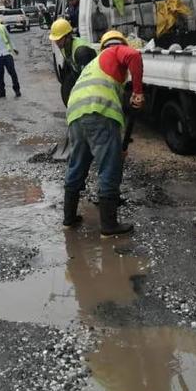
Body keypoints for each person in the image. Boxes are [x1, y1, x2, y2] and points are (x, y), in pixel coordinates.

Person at [63, 30, 145, 237]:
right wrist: (138, 91)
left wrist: (118, 146)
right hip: (96, 110)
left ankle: (69, 218)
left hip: (75, 113)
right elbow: (135, 56)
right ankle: (109, 225)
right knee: (109, 166)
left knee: (78, 163)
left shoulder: (95, 66)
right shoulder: (114, 50)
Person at [49, 18, 97, 106]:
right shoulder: (64, 47)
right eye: (55, 40)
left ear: (68, 36)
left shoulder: (81, 51)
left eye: (59, 39)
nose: (57, 43)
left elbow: (89, 79)